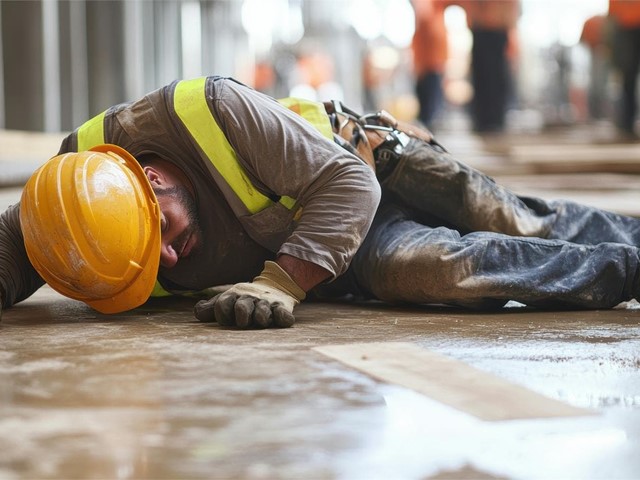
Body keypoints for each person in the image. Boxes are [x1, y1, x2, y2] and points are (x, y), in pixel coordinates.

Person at [2, 75, 640, 329]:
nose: (169, 256)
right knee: (440, 270)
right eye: (153, 258)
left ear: (151, 176)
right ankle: (624, 269)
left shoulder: (210, 111)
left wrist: (282, 281)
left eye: (161, 230)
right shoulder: (74, 198)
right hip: (331, 250)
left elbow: (350, 186)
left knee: (517, 220)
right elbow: (14, 248)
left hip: (360, 173)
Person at [460, 0, 520, 133]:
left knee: (495, 76)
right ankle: (485, 120)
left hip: (496, 27)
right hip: (481, 27)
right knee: (483, 76)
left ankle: (494, 120)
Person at [410, 0, 450, 129]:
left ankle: (429, 123)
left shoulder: (431, 14)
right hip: (429, 64)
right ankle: (428, 123)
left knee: (430, 104)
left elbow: (434, 39)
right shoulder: (431, 16)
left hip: (431, 65)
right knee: (428, 102)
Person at [608, 0, 640, 137]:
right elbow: (612, 17)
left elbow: (612, 18)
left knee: (628, 79)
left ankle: (627, 124)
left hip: (625, 32)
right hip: (625, 31)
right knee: (628, 79)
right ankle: (626, 124)